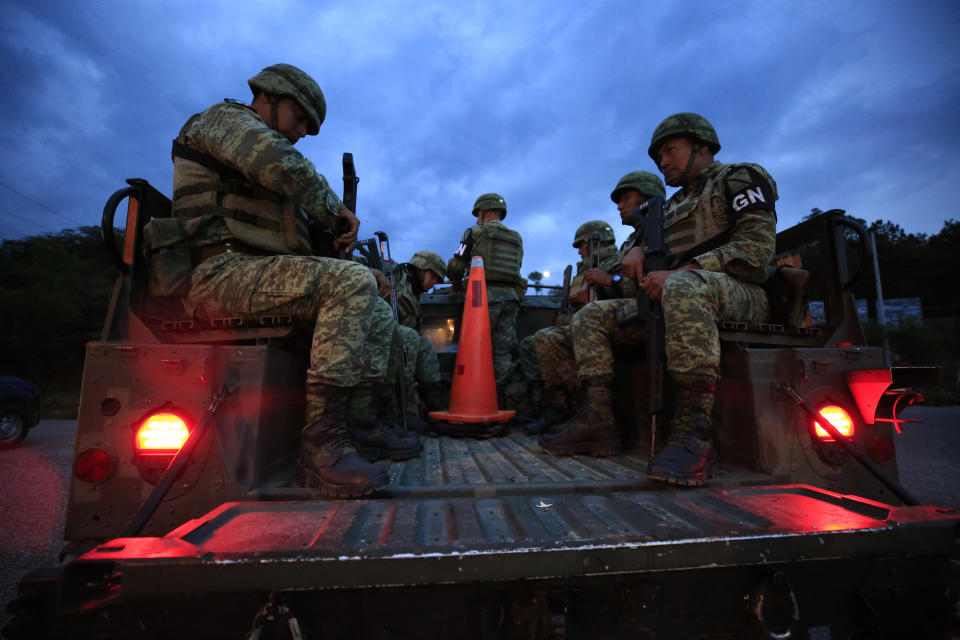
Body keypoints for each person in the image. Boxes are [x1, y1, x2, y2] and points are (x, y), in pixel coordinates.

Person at [159, 63, 398, 498]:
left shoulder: (270, 161)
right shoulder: (223, 121)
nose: (303, 131)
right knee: (348, 283)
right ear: (268, 97)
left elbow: (297, 250)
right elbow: (280, 165)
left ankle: (355, 426)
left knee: (378, 311)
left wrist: (356, 262)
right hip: (219, 274)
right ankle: (320, 447)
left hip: (258, 276)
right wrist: (335, 210)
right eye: (300, 117)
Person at [544, 114, 778, 488]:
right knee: (590, 317)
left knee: (683, 288)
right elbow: (642, 260)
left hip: (739, 291)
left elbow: (757, 250)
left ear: (702, 147)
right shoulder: (670, 206)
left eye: (670, 150)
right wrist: (633, 253)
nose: (663, 162)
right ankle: (599, 421)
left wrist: (687, 270)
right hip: (678, 293)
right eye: (658, 157)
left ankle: (693, 434)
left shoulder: (739, 177)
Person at [531, 174, 665, 437]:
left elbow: (646, 280)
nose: (619, 206)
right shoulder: (634, 241)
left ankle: (599, 416)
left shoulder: (662, 231)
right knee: (546, 338)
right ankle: (572, 408)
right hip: (634, 310)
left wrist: (610, 280)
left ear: (647, 197)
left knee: (589, 317)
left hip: (656, 310)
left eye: (626, 198)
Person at [518, 219, 619, 432]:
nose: (580, 252)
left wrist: (606, 285)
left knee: (547, 338)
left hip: (603, 324)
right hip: (583, 322)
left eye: (582, 246)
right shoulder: (585, 269)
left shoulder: (613, 263)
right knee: (532, 342)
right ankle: (552, 406)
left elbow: (626, 289)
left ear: (595, 244)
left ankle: (576, 406)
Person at [446, 193, 524, 402]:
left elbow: (456, 264)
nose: (476, 219)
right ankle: (502, 401)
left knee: (474, 348)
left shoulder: (473, 232)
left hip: (482, 300)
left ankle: (473, 400)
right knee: (502, 352)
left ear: (486, 213)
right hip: (511, 299)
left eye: (478, 214)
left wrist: (454, 278)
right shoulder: (516, 237)